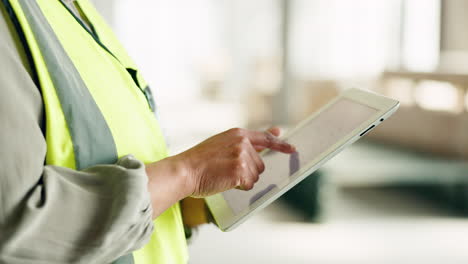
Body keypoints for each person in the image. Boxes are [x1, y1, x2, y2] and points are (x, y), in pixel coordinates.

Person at [0, 1, 295, 263]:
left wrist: (193, 200)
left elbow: (106, 168)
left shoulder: (76, 11)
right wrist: (186, 172)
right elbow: (16, 225)